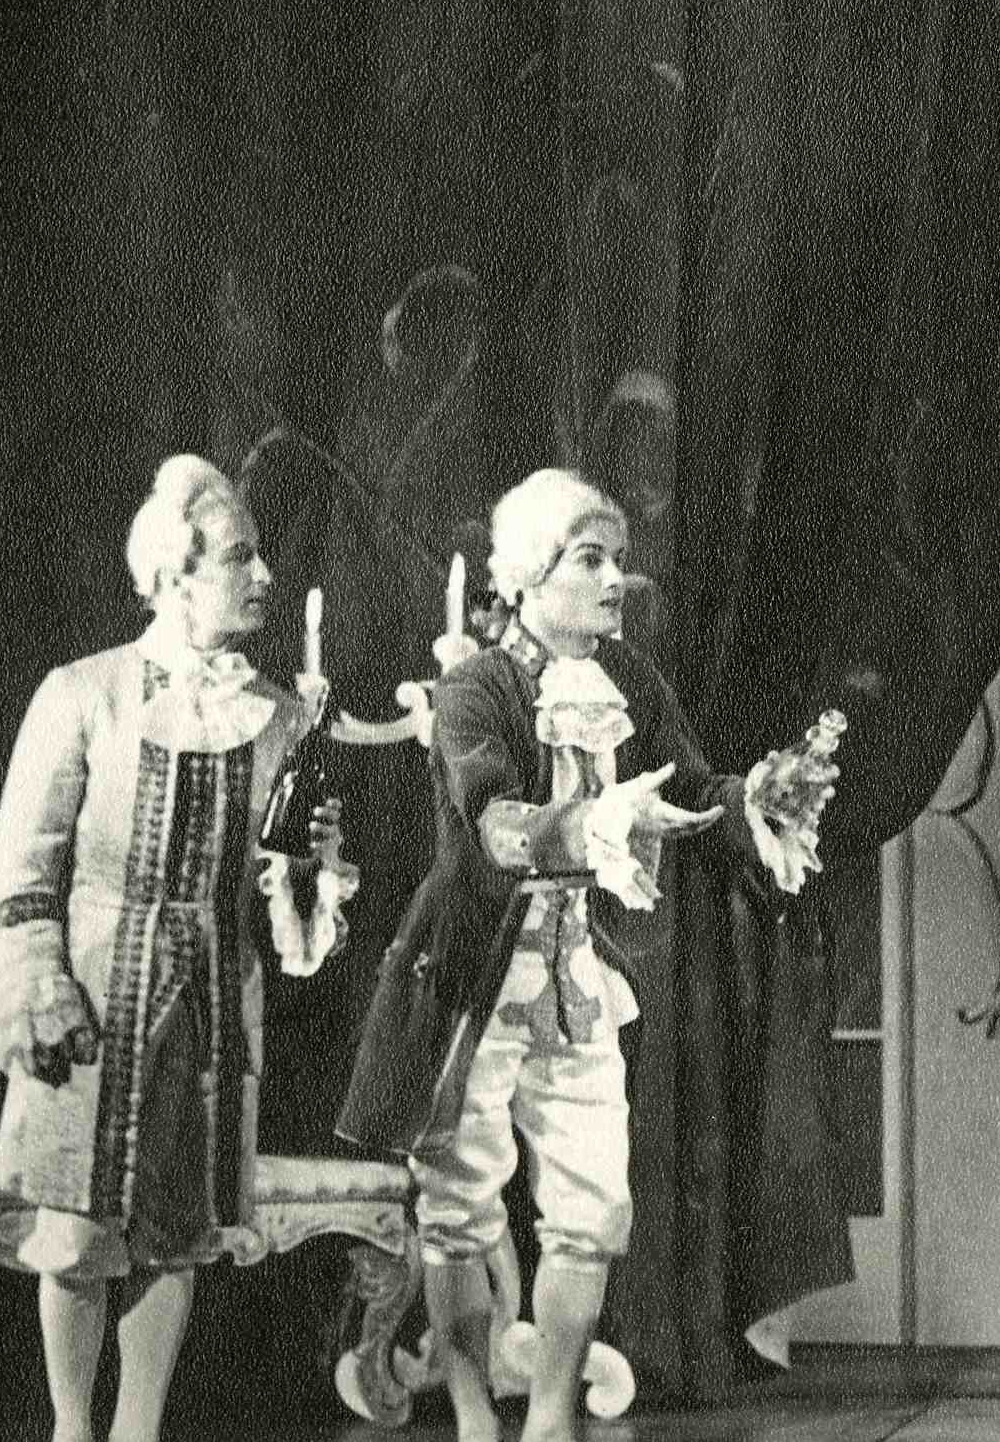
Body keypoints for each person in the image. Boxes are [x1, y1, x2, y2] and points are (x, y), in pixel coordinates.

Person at [337, 470, 824, 1442]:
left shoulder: (628, 679)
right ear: (530, 572)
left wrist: (750, 801)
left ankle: (552, 1422)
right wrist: (589, 822)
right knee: (459, 1208)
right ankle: (476, 1418)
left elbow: (687, 783)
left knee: (593, 1206)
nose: (615, 580)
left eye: (619, 560)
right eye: (591, 559)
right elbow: (492, 821)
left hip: (577, 979)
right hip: (469, 982)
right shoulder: (477, 687)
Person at [0, 453, 356, 1442]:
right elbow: (21, 869)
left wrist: (307, 869)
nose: (263, 574)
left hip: (212, 999)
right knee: (77, 1232)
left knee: (173, 1236)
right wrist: (39, 989)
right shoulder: (84, 692)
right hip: (92, 997)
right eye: (239, 556)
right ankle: (70, 1429)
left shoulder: (278, 715)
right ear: (177, 573)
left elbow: (283, 893)